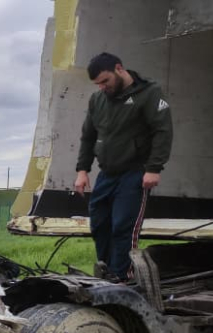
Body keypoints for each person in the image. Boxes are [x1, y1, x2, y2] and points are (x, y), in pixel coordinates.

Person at [73, 52, 173, 282]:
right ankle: (106, 274)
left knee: (122, 228)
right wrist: (82, 170)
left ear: (119, 69)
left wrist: (154, 168)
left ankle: (122, 279)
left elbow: (163, 131)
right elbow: (88, 136)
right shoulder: (97, 100)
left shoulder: (149, 93)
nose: (102, 87)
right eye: (97, 84)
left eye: (105, 81)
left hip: (135, 173)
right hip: (107, 173)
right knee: (99, 224)